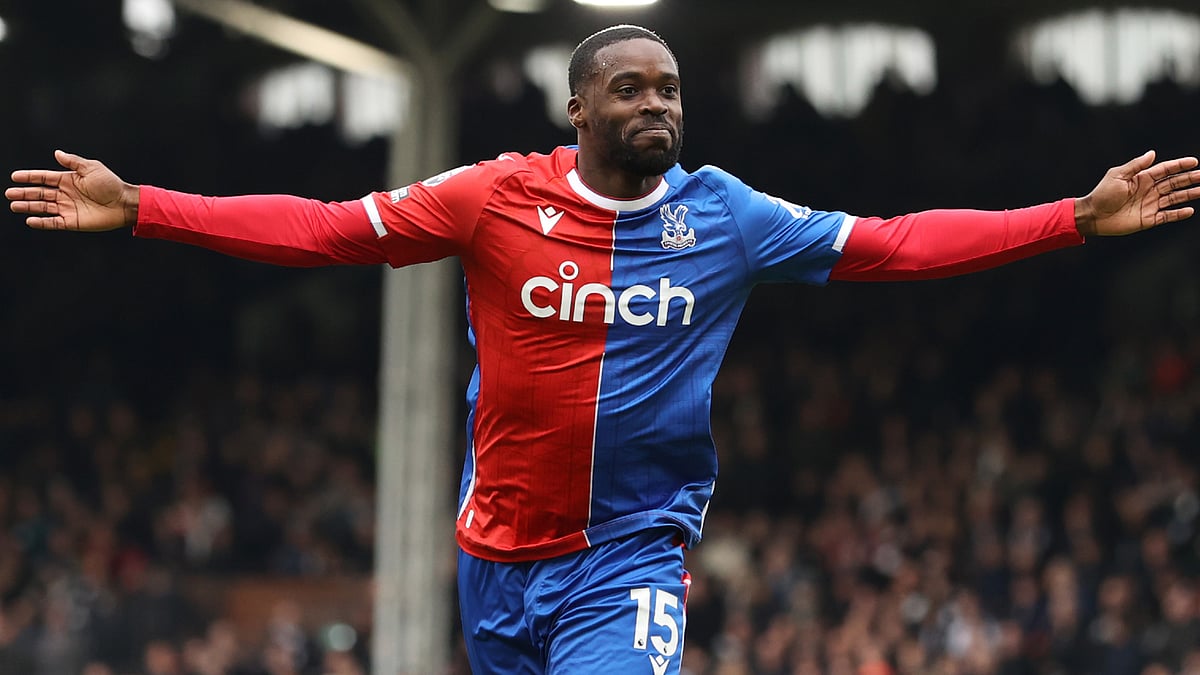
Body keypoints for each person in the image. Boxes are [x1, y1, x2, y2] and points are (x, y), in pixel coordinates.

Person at [7, 23, 1200, 675]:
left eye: (669, 88)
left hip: (629, 553)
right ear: (576, 112)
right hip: (495, 556)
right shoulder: (491, 198)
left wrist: (1072, 219)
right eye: (628, 89)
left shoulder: (725, 216)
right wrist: (147, 203)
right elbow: (325, 232)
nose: (655, 105)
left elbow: (893, 246)